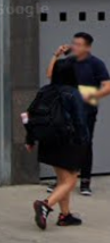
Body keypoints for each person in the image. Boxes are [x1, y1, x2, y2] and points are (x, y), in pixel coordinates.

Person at [27, 58, 91, 230]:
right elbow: (79, 120)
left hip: (49, 140)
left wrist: (30, 139)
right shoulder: (72, 93)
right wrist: (84, 142)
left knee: (63, 180)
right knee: (70, 181)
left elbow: (30, 114)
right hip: (68, 141)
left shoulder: (45, 90)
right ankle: (45, 205)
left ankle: (65, 215)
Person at [46, 32, 110, 195]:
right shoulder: (68, 62)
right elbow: (50, 75)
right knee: (65, 144)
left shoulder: (96, 64)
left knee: (85, 145)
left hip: (86, 111)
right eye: (73, 43)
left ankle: (85, 182)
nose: (74, 47)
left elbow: (107, 86)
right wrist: (56, 55)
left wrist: (92, 95)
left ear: (87, 47)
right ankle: (62, 180)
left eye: (79, 44)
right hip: (67, 110)